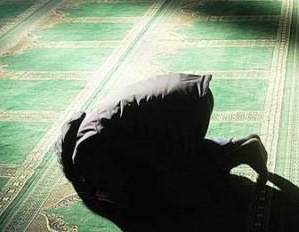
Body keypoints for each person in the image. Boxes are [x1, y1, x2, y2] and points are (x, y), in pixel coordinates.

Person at [55, 73, 268, 209]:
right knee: (167, 147)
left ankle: (242, 153)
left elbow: (123, 188)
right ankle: (241, 144)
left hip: (183, 109)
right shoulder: (90, 123)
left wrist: (110, 195)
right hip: (191, 92)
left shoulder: (84, 152)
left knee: (177, 175)